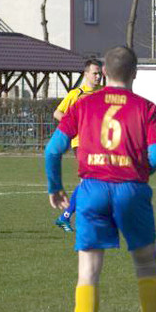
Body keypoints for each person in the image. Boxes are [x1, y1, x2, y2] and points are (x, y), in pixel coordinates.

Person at [44, 46, 156, 312]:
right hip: (131, 189)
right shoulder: (147, 108)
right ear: (135, 73)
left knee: (88, 271)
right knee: (146, 263)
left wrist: (56, 187)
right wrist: (137, 173)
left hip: (92, 190)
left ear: (104, 74)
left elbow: (52, 151)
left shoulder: (83, 104)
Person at [52, 58, 104, 232]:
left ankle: (66, 216)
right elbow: (58, 113)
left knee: (94, 181)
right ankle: (69, 216)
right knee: (89, 180)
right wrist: (76, 125)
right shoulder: (76, 94)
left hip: (99, 143)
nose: (98, 76)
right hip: (81, 143)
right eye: (95, 73)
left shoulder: (105, 93)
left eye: (100, 73)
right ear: (86, 74)